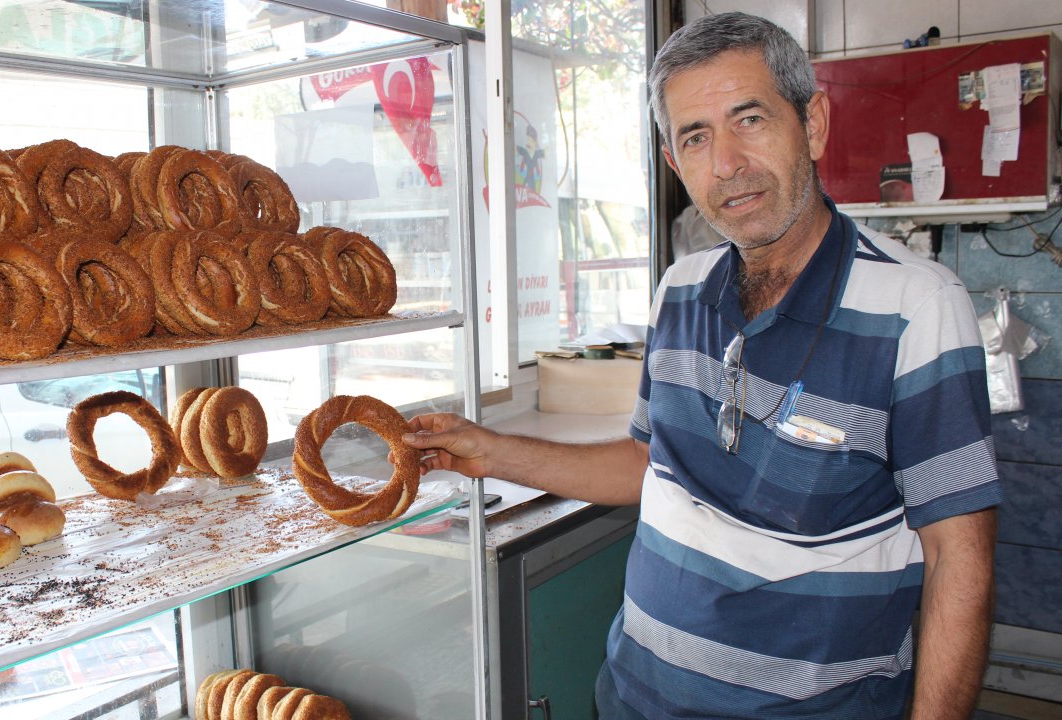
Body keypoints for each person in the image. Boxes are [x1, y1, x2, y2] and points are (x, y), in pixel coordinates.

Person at [403, 11, 1001, 720]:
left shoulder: (918, 305)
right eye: (696, 136)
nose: (726, 164)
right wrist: (490, 452)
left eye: (749, 120)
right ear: (673, 163)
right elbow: (648, 461)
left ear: (812, 124)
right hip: (631, 696)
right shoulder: (679, 290)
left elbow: (960, 559)